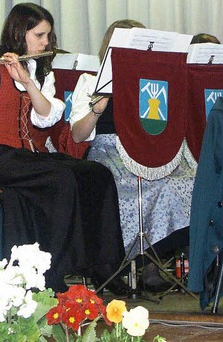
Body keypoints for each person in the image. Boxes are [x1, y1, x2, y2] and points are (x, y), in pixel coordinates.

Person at [0, 3, 127, 294]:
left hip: (25, 157)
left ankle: (104, 267)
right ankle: (51, 273)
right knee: (62, 179)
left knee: (98, 173)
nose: (46, 42)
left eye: (48, 35)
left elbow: (47, 117)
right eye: (40, 35)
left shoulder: (40, 72)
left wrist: (28, 82)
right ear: (20, 33)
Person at [70, 19, 195, 292]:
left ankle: (154, 263)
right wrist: (97, 108)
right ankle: (114, 264)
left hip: (150, 152)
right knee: (121, 186)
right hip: (109, 152)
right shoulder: (90, 81)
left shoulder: (151, 84)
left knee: (184, 180)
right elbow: (78, 135)